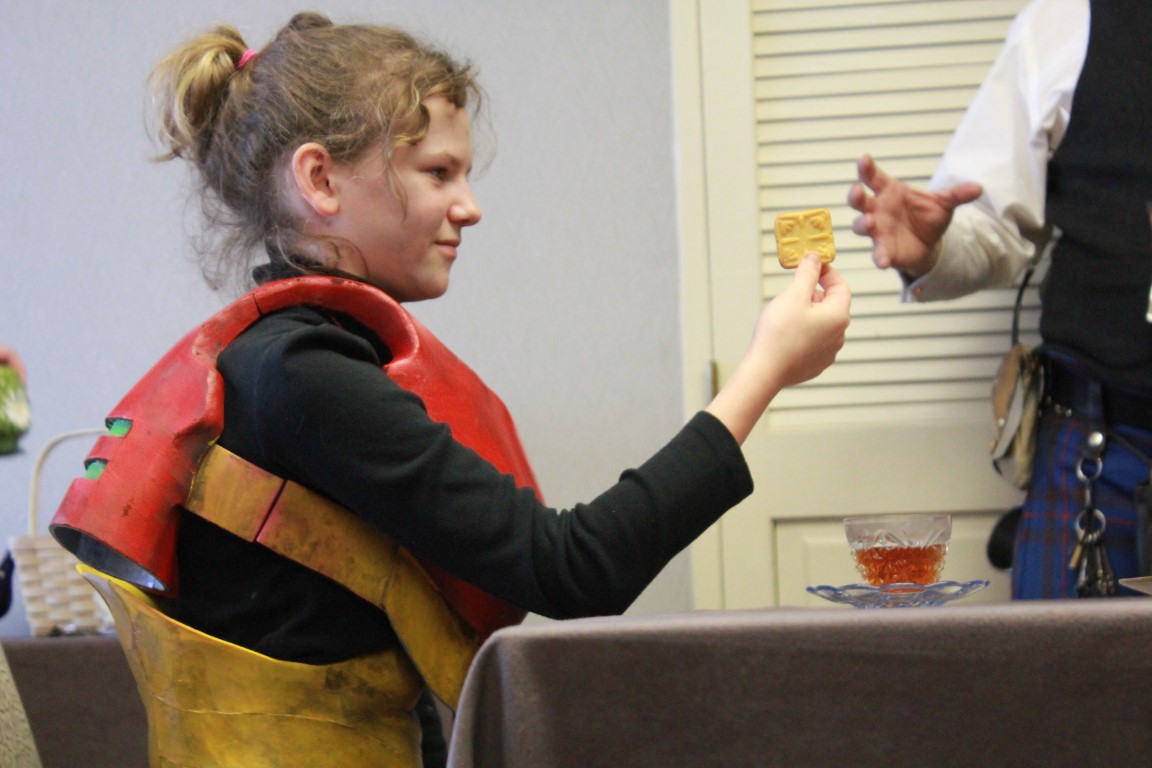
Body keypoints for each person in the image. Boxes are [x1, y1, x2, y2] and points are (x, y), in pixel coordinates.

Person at [51, 12, 850, 767]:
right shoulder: (304, 375)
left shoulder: (277, 360)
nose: (469, 208)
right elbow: (574, 568)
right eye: (438, 172)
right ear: (320, 178)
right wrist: (765, 371)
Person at [847, 0, 1152, 600]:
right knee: (1064, 668)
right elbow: (992, 222)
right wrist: (933, 248)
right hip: (1100, 451)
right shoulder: (1068, 19)